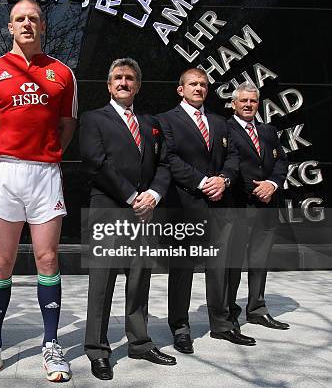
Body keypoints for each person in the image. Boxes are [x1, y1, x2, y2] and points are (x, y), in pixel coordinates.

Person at [0, 0, 78, 383]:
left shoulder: (62, 73)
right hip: (6, 174)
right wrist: (2, 154)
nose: (27, 24)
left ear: (43, 26)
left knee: (48, 259)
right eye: (20, 19)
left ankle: (51, 345)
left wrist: (48, 155)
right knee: (2, 262)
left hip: (45, 174)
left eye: (33, 18)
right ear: (10, 27)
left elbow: (67, 123)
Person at [80, 58, 175, 381]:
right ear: (109, 85)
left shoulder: (151, 123)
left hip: (146, 212)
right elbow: (96, 162)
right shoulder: (93, 119)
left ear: (137, 85)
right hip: (109, 209)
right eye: (118, 78)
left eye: (130, 78)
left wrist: (154, 195)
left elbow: (164, 165)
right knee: (102, 282)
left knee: (139, 279)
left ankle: (140, 341)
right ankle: (97, 349)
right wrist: (133, 197)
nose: (123, 82)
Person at [157, 68, 253, 353]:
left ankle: (222, 324)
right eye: (193, 84)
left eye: (203, 84)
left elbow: (234, 157)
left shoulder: (220, 123)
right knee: (183, 269)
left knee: (219, 268)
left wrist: (223, 179)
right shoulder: (166, 121)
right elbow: (169, 158)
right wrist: (201, 182)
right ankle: (180, 327)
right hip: (184, 204)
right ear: (180, 89)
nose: (198, 88)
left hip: (219, 204)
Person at [227, 82, 290, 330]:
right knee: (232, 262)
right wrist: (255, 188)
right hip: (240, 204)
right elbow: (230, 165)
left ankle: (256, 309)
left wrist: (272, 184)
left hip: (267, 205)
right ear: (234, 103)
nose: (248, 105)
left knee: (260, 259)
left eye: (252, 101)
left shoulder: (268, 130)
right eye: (243, 101)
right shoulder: (226, 129)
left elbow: (281, 161)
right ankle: (229, 311)